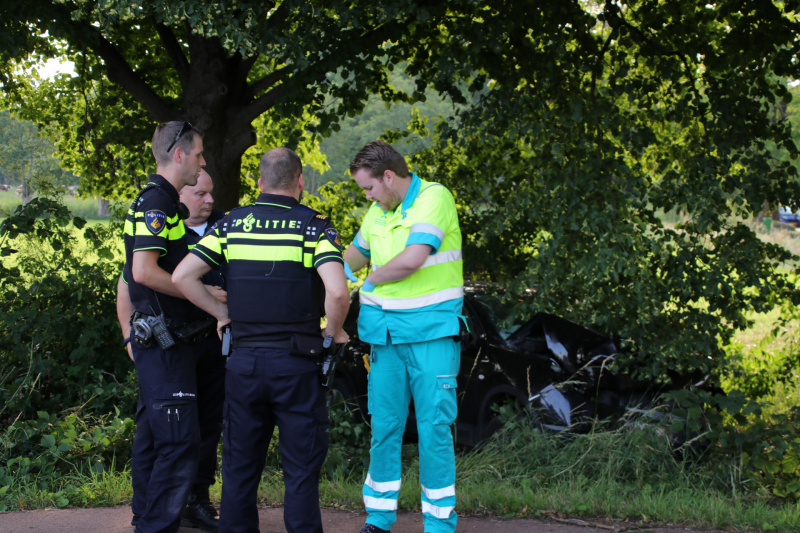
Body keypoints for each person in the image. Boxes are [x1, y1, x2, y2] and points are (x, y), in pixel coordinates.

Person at [172, 147, 351, 533]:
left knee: (239, 466)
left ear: (259, 183)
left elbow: (182, 277)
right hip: (297, 365)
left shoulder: (231, 225)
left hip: (243, 365)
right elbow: (337, 293)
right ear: (300, 181)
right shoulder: (314, 228)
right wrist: (333, 332)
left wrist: (221, 314)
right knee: (300, 469)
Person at [342, 141, 464, 533]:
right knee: (385, 428)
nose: (368, 196)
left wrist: (366, 283)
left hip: (431, 335)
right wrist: (320, 268)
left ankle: (440, 524)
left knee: (433, 430)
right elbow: (350, 258)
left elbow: (412, 260)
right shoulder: (379, 212)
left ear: (389, 177)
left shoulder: (434, 197)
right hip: (386, 338)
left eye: (370, 188)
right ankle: (378, 519)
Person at [118, 120, 224, 533]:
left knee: (153, 437)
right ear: (178, 155)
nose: (201, 161)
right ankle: (155, 526)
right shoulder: (155, 204)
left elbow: (165, 268)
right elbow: (142, 273)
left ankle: (145, 518)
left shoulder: (167, 204)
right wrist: (207, 297)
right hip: (164, 342)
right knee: (178, 443)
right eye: (198, 154)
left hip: (173, 342)